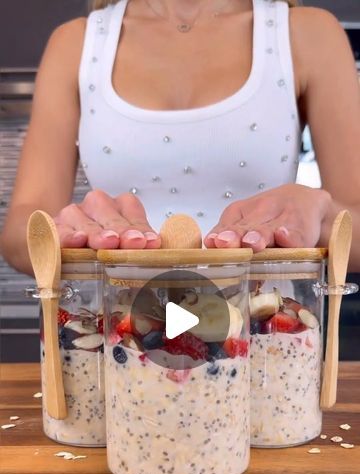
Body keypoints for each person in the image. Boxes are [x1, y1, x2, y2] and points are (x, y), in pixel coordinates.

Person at [1, 0, 359, 274]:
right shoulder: (75, 43)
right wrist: (62, 231)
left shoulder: (308, 34)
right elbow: (19, 232)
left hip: (267, 341)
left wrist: (320, 214)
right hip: (115, 338)